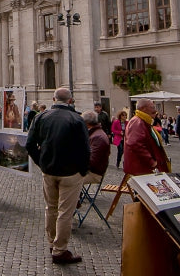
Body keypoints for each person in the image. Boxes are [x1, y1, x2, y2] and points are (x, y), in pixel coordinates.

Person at [25, 88, 89, 264]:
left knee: (50, 208)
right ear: (71, 101)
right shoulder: (77, 119)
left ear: (53, 99)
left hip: (49, 171)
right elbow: (85, 149)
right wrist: (82, 170)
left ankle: (52, 243)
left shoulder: (41, 117)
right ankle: (60, 250)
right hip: (70, 173)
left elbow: (29, 144)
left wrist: (42, 163)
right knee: (65, 212)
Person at [123, 98, 170, 176]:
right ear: (143, 109)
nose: (155, 110)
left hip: (147, 168)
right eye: (152, 107)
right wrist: (151, 162)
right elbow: (135, 144)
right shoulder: (137, 122)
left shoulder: (144, 121)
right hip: (143, 169)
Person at [81, 110, 111, 184]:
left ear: (86, 123)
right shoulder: (95, 134)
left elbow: (92, 162)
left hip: (94, 173)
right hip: (91, 171)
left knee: (65, 180)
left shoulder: (98, 137)